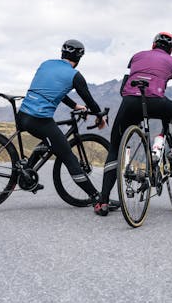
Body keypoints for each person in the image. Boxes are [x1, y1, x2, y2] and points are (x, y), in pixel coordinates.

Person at [95, 32, 172, 216]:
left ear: (153, 45)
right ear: (171, 50)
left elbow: (124, 86)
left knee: (115, 148)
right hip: (156, 101)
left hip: (130, 101)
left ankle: (103, 201)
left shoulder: (136, 56)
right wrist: (170, 107)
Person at [17, 39, 107, 204]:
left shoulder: (46, 64)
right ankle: (97, 198)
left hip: (22, 115)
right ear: (79, 58)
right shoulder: (75, 76)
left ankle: (27, 174)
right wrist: (100, 116)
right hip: (39, 120)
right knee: (69, 157)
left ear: (62, 53)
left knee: (49, 138)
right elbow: (90, 101)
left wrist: (75, 106)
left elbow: (55, 90)